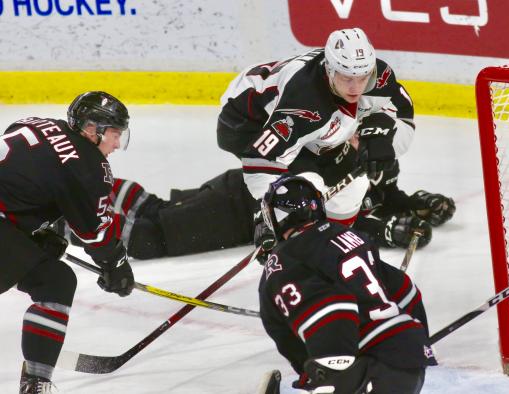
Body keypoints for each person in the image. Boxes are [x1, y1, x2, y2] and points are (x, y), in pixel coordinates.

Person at [217, 27, 422, 261]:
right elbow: (261, 160)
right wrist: (271, 206)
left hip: (309, 128)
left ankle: (335, 241)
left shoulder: (379, 76)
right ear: (329, 68)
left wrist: (381, 136)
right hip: (245, 120)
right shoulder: (303, 102)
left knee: (352, 187)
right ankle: (286, 254)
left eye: (363, 77)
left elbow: (402, 114)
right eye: (347, 78)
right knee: (302, 190)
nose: (356, 88)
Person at [0, 91, 136, 393]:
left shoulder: (36, 124)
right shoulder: (89, 168)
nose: (116, 144)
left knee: (53, 278)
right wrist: (117, 266)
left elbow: (22, 179)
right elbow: (96, 237)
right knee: (56, 284)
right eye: (114, 134)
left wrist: (30, 233)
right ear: (91, 130)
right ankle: (36, 383)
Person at [55, 162, 454, 260]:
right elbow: (341, 227)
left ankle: (79, 196)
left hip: (243, 190)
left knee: (156, 210)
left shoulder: (363, 164)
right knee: (146, 239)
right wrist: (388, 231)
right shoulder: (347, 161)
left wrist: (421, 203)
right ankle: (66, 222)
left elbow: (386, 196)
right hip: (241, 208)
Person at [258, 176, 432, 394]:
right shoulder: (351, 236)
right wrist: (419, 343)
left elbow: (332, 307)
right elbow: (407, 290)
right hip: (411, 364)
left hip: (369, 369)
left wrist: (326, 372)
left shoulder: (285, 258)